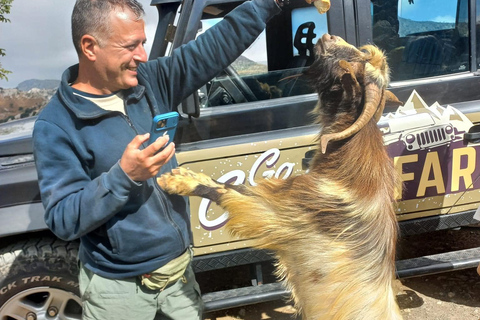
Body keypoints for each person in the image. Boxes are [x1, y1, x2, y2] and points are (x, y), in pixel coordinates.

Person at [32, 0, 308, 319]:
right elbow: (64, 219)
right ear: (90, 46)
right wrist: (124, 175)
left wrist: (267, 3)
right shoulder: (56, 125)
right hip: (120, 294)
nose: (141, 56)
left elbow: (212, 48)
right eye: (130, 46)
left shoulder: (151, 81)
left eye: (143, 44)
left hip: (179, 280)